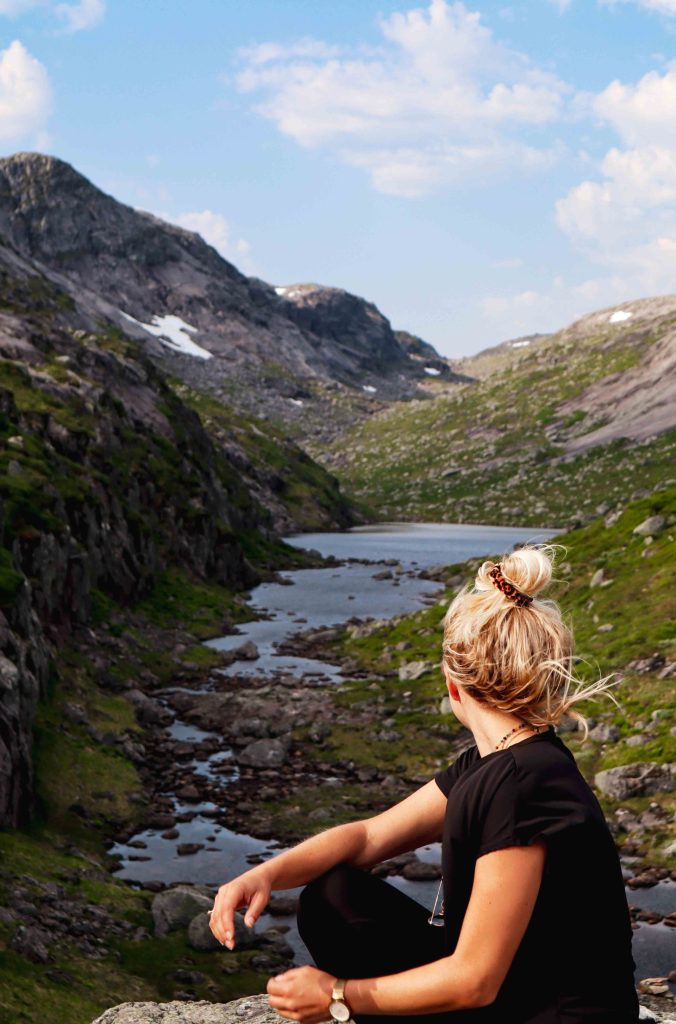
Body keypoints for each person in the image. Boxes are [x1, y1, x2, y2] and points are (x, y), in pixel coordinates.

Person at [208, 545, 640, 1024]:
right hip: (518, 990)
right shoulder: (500, 761)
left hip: (548, 1014)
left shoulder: (522, 783)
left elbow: (475, 980)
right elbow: (369, 837)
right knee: (333, 897)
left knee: (359, 927)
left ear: (452, 683)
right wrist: (265, 874)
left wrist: (337, 995)